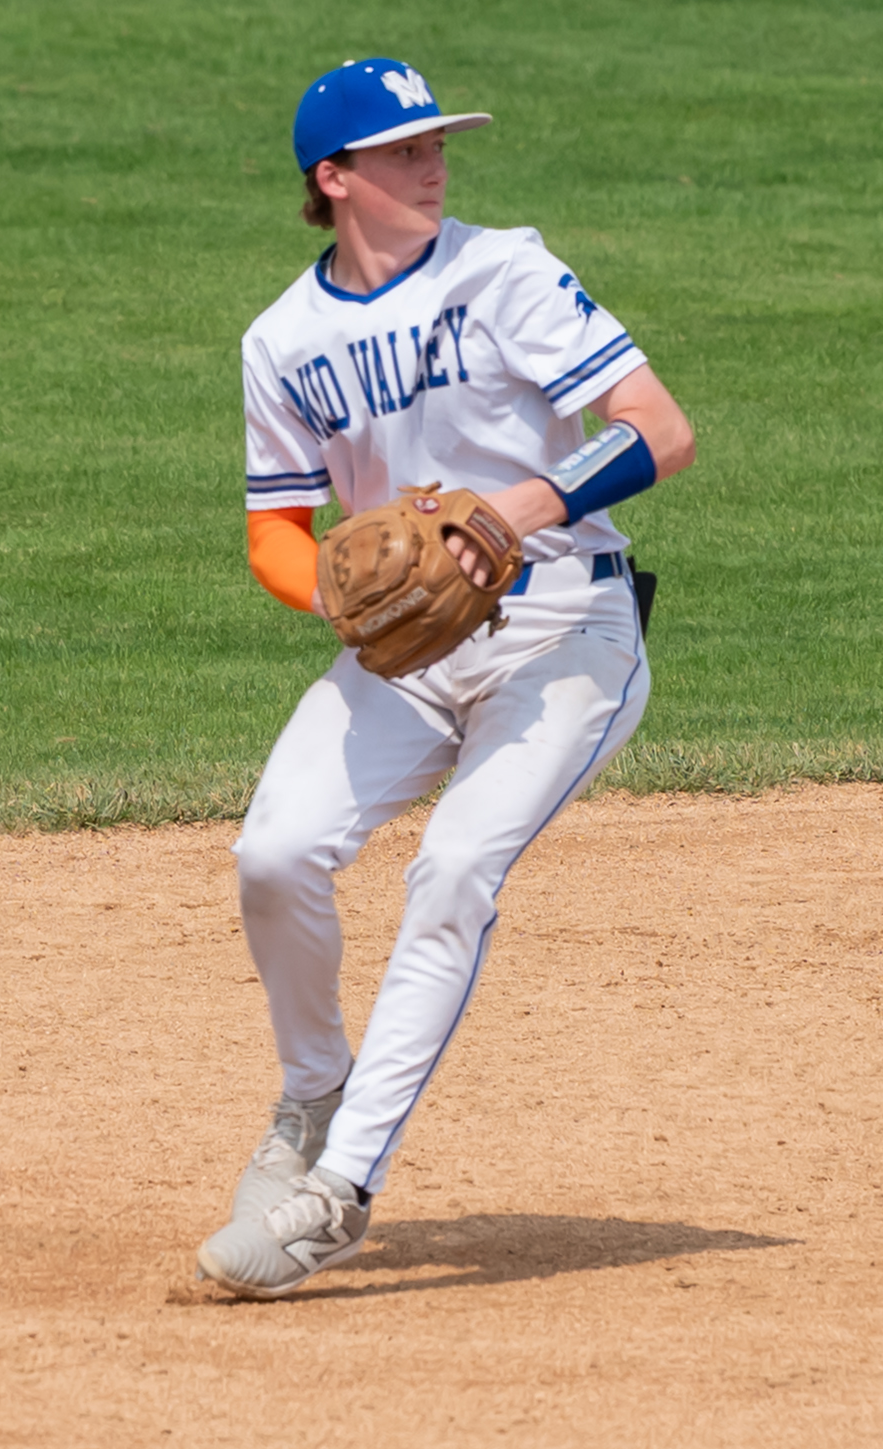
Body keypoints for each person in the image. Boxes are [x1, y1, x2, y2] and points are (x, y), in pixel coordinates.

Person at [197, 57, 697, 1298]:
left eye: (439, 144)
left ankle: (338, 1190)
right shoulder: (283, 339)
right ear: (336, 179)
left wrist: (525, 505)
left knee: (455, 870)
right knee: (273, 852)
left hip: (567, 631)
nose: (436, 163)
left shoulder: (503, 271)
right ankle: (315, 1092)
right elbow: (274, 522)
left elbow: (660, 428)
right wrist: (327, 590)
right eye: (407, 150)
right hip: (407, 653)